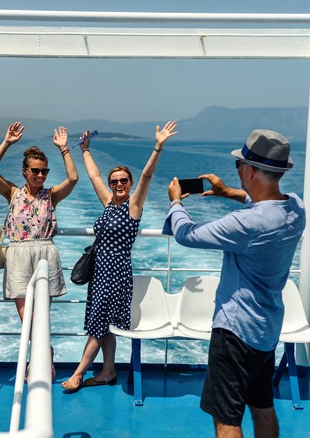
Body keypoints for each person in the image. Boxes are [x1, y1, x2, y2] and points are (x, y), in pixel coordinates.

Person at [163, 129, 306, 437]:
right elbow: (262, 201)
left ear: (251, 171)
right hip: (266, 330)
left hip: (235, 331)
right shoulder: (296, 208)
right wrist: (227, 191)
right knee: (262, 406)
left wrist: (176, 203)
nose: (239, 170)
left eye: (239, 165)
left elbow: (187, 234)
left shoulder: (245, 223)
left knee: (226, 416)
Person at [61, 121, 178, 392]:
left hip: (116, 272)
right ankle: (108, 371)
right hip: (99, 271)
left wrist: (158, 147)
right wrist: (85, 151)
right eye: (115, 181)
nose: (118, 184)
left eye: (123, 180)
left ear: (130, 183)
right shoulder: (108, 203)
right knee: (106, 324)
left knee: (98, 324)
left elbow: (147, 176)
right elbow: (94, 177)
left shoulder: (133, 206)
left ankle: (78, 373)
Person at [0, 122, 78, 378]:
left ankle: (37, 360)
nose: (40, 176)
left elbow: (73, 178)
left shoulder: (51, 195)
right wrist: (7, 142)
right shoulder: (12, 192)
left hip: (45, 253)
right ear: (25, 171)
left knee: (41, 313)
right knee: (26, 315)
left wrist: (64, 149)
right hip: (18, 253)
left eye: (44, 171)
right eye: (35, 171)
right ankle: (44, 353)